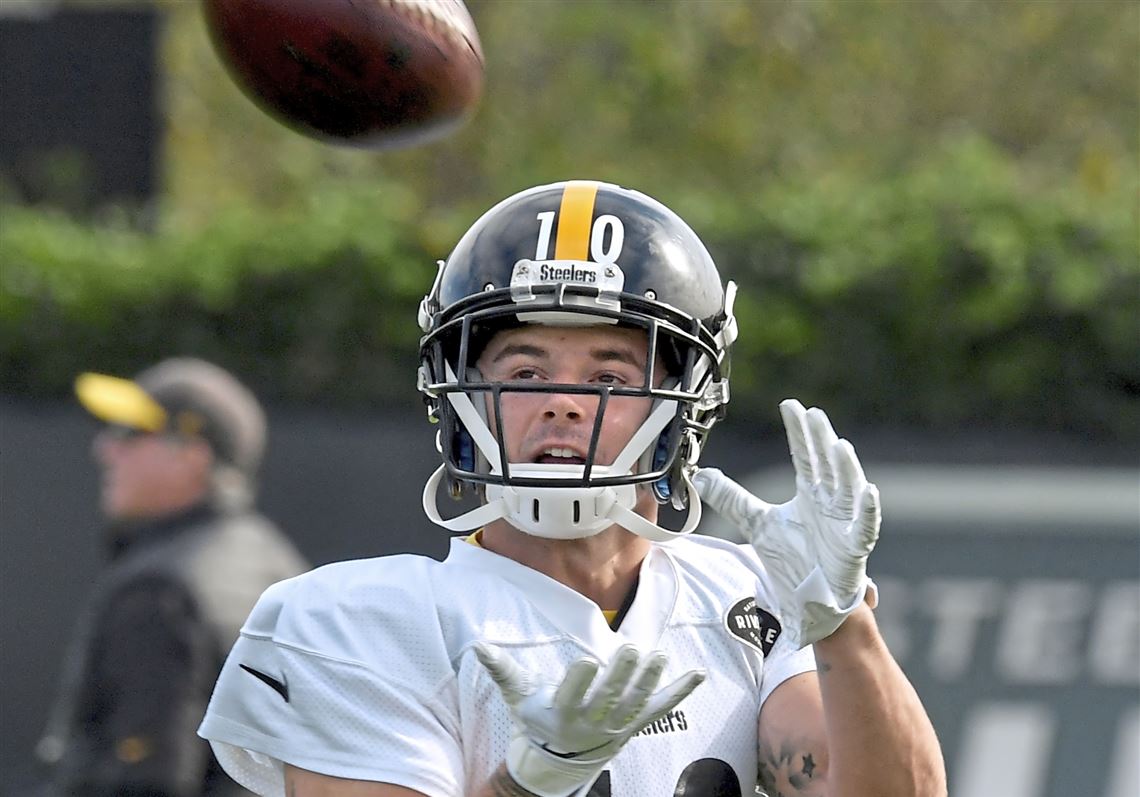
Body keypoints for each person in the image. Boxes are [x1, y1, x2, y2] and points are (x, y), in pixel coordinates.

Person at [198, 180, 946, 797]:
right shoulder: (355, 623)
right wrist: (529, 785)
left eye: (609, 377)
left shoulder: (740, 595)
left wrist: (845, 627)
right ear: (459, 394)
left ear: (684, 405)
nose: (563, 401)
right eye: (525, 371)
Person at [35, 357, 310, 797]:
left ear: (192, 455)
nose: (105, 450)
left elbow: (143, 785)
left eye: (130, 433)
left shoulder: (159, 590)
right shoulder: (280, 565)